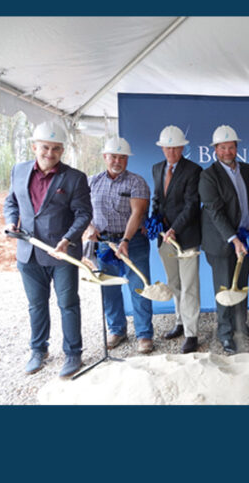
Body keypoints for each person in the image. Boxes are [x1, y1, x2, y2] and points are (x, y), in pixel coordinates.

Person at [3, 121, 93, 378]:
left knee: (68, 303)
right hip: (28, 253)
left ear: (62, 150)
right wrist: (11, 221)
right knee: (36, 305)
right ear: (34, 147)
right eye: (45, 147)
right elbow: (11, 202)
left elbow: (84, 213)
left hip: (62, 253)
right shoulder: (18, 171)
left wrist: (67, 238)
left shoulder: (74, 178)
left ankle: (73, 353)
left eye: (56, 149)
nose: (50, 153)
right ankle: (38, 350)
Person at [83, 137, 157, 354]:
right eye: (113, 156)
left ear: (127, 159)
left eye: (122, 157)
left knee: (139, 287)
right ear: (105, 157)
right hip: (104, 244)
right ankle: (117, 330)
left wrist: (125, 240)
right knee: (110, 289)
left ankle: (144, 334)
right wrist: (89, 226)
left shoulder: (136, 182)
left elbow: (138, 213)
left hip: (132, 243)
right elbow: (81, 209)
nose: (117, 160)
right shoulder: (92, 182)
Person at [198, 125, 249, 355]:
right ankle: (225, 334)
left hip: (246, 238)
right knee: (225, 289)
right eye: (222, 147)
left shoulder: (246, 170)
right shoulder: (208, 176)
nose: (227, 151)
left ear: (237, 147)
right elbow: (215, 212)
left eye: (231, 146)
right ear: (215, 149)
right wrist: (234, 240)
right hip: (223, 243)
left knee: (242, 285)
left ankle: (240, 326)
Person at [150, 126, 204, 353]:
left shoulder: (194, 170)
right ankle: (180, 322)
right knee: (175, 283)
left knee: (189, 286)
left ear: (183, 147)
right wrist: (155, 222)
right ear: (162, 148)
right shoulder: (156, 169)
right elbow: (158, 199)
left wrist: (174, 228)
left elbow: (192, 204)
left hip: (187, 236)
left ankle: (192, 334)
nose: (171, 151)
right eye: (167, 147)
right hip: (165, 239)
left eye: (175, 147)